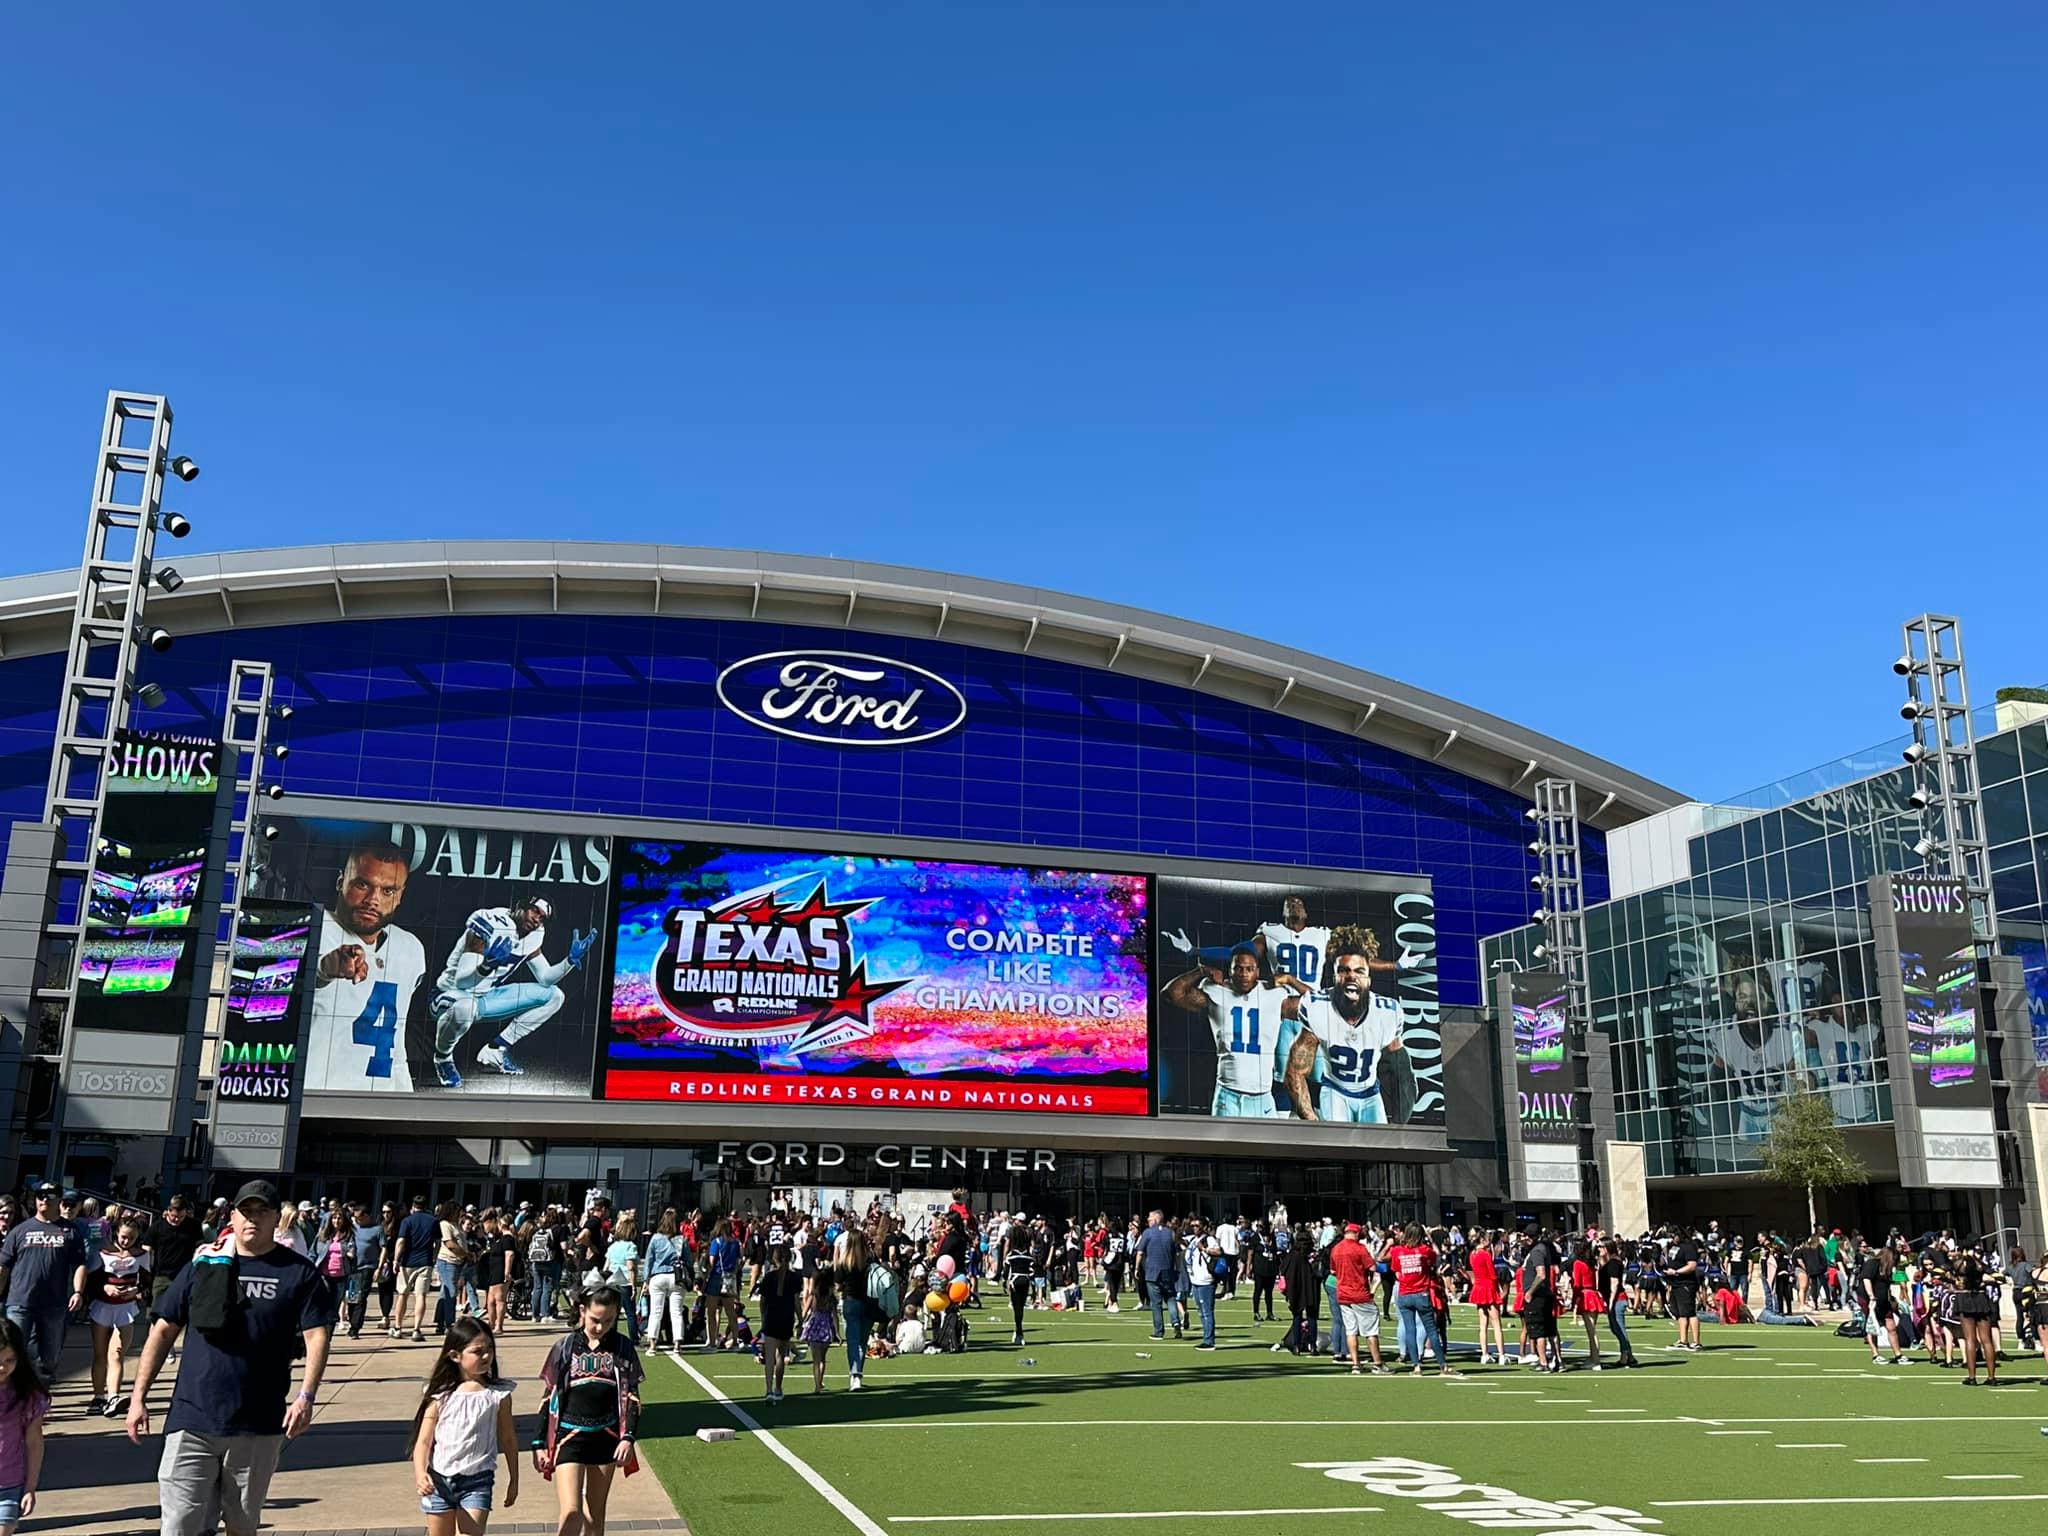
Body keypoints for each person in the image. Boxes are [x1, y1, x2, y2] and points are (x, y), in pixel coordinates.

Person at [125, 1178, 337, 1536]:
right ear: (233, 1217)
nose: (252, 1219)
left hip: (257, 1423)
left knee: (241, 1523)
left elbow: (318, 1335)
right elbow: (163, 1330)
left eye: (262, 1211)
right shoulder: (203, 1264)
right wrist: (137, 1397)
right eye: (246, 1211)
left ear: (276, 1219)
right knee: (179, 1526)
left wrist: (306, 1395)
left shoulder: (298, 1272)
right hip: (192, 1417)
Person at [304, 840, 430, 1092]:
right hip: (313, 1100)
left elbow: (396, 1037)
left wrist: (403, 1098)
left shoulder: (410, 949)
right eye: (363, 885)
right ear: (341, 882)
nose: (373, 900)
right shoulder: (307, 929)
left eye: (388, 891)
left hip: (376, 1106)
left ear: (400, 896)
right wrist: (322, 971)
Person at [536, 1285, 641, 1536]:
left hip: (606, 1435)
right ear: (582, 1311)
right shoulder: (566, 1346)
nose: (601, 1326)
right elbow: (548, 1397)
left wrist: (628, 1438)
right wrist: (539, 1442)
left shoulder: (622, 1347)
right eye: (595, 1319)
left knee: (595, 1517)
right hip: (569, 1436)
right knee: (571, 1511)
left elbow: (633, 1398)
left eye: (609, 1320)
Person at [411, 1316, 518, 1536]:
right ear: (455, 1355)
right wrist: (421, 1473)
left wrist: (514, 1479)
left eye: (490, 1348)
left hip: (477, 1481)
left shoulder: (498, 1395)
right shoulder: (440, 1395)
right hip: (439, 1481)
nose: (487, 1355)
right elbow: (423, 1441)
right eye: (478, 1351)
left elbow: (508, 1438)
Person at [0, 1182, 86, 1389]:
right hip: (19, 1301)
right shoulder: (20, 1231)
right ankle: (14, 1400)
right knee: (14, 1351)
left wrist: (78, 1292)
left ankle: (41, 1397)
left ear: (59, 1200)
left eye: (50, 1196)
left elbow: (79, 1265)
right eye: (40, 1195)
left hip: (54, 1304)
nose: (44, 1200)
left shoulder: (70, 1231)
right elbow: (3, 1267)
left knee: (49, 1356)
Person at [87, 1214, 152, 1418]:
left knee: (116, 1353)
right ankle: (99, 1397)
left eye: (131, 1238)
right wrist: (104, 1287)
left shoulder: (142, 1255)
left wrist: (138, 1291)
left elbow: (147, 1282)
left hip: (126, 1309)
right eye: (124, 1237)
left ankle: (114, 1397)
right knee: (100, 1354)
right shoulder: (103, 1252)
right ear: (116, 1233)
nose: (126, 1241)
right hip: (102, 1308)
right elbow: (91, 1281)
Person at [1386, 1223, 1455, 1376]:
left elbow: (1396, 1272)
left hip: (1404, 1293)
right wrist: (1429, 1238)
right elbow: (1436, 1255)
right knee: (1431, 1330)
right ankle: (1442, 1365)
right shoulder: (1424, 1250)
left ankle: (1416, 1366)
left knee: (1410, 1330)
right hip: (1421, 1293)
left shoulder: (1397, 1251)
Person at [0, 1319, 48, 1536]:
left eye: (10, 1360)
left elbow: (34, 1442)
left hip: (10, 1482)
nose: (3, 1367)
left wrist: (30, 1487)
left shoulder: (26, 1396)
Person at [1329, 1223, 1390, 1376]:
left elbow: (1333, 1270)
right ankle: (1377, 1364)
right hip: (1360, 1294)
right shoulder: (1359, 1249)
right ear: (1356, 1234)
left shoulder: (1336, 1249)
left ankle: (1355, 1364)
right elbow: (1373, 1267)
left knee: (1351, 1331)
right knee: (1371, 1331)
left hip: (1343, 1294)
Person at [146, 1195, 202, 1319]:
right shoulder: (157, 1227)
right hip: (162, 1275)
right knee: (156, 1313)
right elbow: (147, 1247)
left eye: (181, 1217)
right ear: (168, 1211)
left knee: (181, 1314)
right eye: (174, 1216)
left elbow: (199, 1246)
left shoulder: (194, 1226)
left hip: (184, 1274)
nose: (177, 1220)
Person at [832, 1226, 874, 1388]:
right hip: (869, 1302)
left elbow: (837, 1283)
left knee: (853, 1341)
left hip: (850, 1301)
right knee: (862, 1342)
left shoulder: (845, 1262)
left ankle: (855, 1375)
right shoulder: (869, 1260)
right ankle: (858, 1374)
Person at [757, 1246, 800, 1404]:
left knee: (769, 1357)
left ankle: (768, 1390)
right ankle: (778, 1388)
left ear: (773, 1259)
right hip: (786, 1318)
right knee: (781, 1355)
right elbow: (796, 1301)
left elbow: (762, 1301)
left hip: (771, 1317)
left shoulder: (769, 1277)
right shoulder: (794, 1277)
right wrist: (800, 1319)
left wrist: (763, 1317)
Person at [394, 1195, 438, 1341]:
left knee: (402, 1294)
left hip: (408, 1262)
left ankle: (398, 1327)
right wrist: (434, 1256)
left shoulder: (407, 1221)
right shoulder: (433, 1221)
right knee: (421, 1296)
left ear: (413, 1206)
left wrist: (396, 1260)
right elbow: (438, 1241)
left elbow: (401, 1241)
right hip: (425, 1261)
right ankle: (416, 1329)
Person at [1518, 1229, 1562, 1374]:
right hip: (1546, 1294)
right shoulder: (1545, 1249)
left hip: (1538, 1296)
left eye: (1528, 1236)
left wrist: (1530, 1291)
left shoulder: (1537, 1251)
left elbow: (1541, 1274)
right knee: (1551, 1330)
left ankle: (1544, 1362)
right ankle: (1558, 1360)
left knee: (1538, 1331)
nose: (1525, 1238)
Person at [1954, 1247, 1999, 1387]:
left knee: (1970, 1339)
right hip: (1980, 1297)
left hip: (1965, 1297)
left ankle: (1972, 1377)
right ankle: (1992, 1377)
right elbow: (1996, 1274)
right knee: (1987, 1340)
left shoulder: (1959, 1263)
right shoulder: (1979, 1264)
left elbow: (1950, 1272)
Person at [1858, 1242, 1906, 1365]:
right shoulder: (1872, 1263)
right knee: (1873, 1326)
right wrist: (1871, 1297)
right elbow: (1866, 1279)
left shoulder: (1888, 1269)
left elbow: (1887, 1286)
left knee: (1891, 1326)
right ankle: (1875, 1354)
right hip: (1869, 1300)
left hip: (1884, 1300)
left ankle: (1898, 1354)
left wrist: (1892, 1300)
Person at [1133, 1210, 1178, 1341]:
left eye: (1150, 1218)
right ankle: (1175, 1321)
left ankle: (1159, 1331)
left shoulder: (1147, 1233)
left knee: (1156, 1303)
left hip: (1152, 1272)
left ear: (1156, 1219)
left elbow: (1140, 1252)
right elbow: (1174, 1253)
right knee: (1170, 1298)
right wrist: (1175, 1268)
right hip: (1167, 1271)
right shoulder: (1170, 1233)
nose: (1148, 1220)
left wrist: (1136, 1268)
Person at [644, 1212, 686, 1351]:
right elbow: (689, 1260)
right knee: (677, 1312)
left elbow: (649, 1260)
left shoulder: (656, 1238)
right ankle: (677, 1343)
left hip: (658, 1275)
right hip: (676, 1276)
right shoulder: (680, 1239)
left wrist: (646, 1279)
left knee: (656, 1311)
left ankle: (652, 1344)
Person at [701, 1217, 741, 1351]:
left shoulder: (716, 1242)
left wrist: (706, 1277)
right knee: (731, 1312)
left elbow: (712, 1262)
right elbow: (738, 1262)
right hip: (730, 1278)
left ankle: (712, 1341)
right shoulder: (735, 1243)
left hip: (716, 1278)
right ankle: (735, 1340)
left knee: (711, 1312)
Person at [1597, 1240, 1638, 1367]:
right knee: (1615, 1328)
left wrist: (1610, 1303)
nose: (1599, 1249)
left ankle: (1625, 1355)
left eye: (1601, 1246)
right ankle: (1629, 1355)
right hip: (1612, 1299)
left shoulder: (1614, 1263)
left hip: (1617, 1299)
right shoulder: (1608, 1262)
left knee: (1618, 1328)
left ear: (1608, 1247)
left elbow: (1614, 1284)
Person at [801, 1263, 838, 1394]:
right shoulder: (831, 1297)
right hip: (826, 1327)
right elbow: (834, 1315)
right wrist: (837, 1333)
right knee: (822, 1358)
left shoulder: (814, 1295)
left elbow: (806, 1311)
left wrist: (801, 1322)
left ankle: (817, 1384)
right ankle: (819, 1382)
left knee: (816, 1359)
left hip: (815, 1326)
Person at [1663, 1230, 1703, 1353]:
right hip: (1675, 1283)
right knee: (1680, 1313)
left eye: (1673, 1235)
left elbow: (1692, 1265)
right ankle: (1683, 1340)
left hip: (1686, 1283)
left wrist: (1676, 1272)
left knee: (1690, 1312)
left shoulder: (1688, 1247)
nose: (1671, 1238)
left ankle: (1696, 1342)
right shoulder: (1674, 1247)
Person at [1468, 1232, 1505, 1364]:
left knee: (1483, 1324)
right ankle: (1501, 1355)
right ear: (1482, 1240)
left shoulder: (1472, 1254)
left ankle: (1484, 1354)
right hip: (1488, 1287)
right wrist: (1499, 1288)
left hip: (1478, 1287)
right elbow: (1492, 1274)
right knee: (1496, 1323)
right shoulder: (1485, 1254)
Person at [1569, 1239, 1604, 1370]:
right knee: (1592, 1330)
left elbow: (1577, 1284)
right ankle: (1593, 1357)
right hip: (1592, 1294)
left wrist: (1574, 1301)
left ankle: (1596, 1361)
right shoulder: (1590, 1263)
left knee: (1591, 1332)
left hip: (1585, 1295)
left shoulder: (1578, 1263)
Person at [1186, 1230, 1219, 1350]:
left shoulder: (1209, 1239)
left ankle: (1209, 1341)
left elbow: (1218, 1251)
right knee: (1200, 1312)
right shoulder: (1193, 1240)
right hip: (1195, 1280)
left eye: (1197, 1225)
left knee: (1207, 1311)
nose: (1194, 1228)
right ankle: (1206, 1337)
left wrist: (1204, 1249)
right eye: (1192, 1226)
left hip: (1206, 1280)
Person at [1001, 1224, 1034, 1346]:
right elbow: (1032, 1272)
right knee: (1021, 1307)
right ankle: (1019, 1332)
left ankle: (1019, 1332)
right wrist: (1034, 1289)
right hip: (1025, 1282)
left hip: (1014, 1281)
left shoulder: (1011, 1254)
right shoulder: (1028, 1255)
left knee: (1016, 1308)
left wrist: (1004, 1282)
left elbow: (1006, 1270)